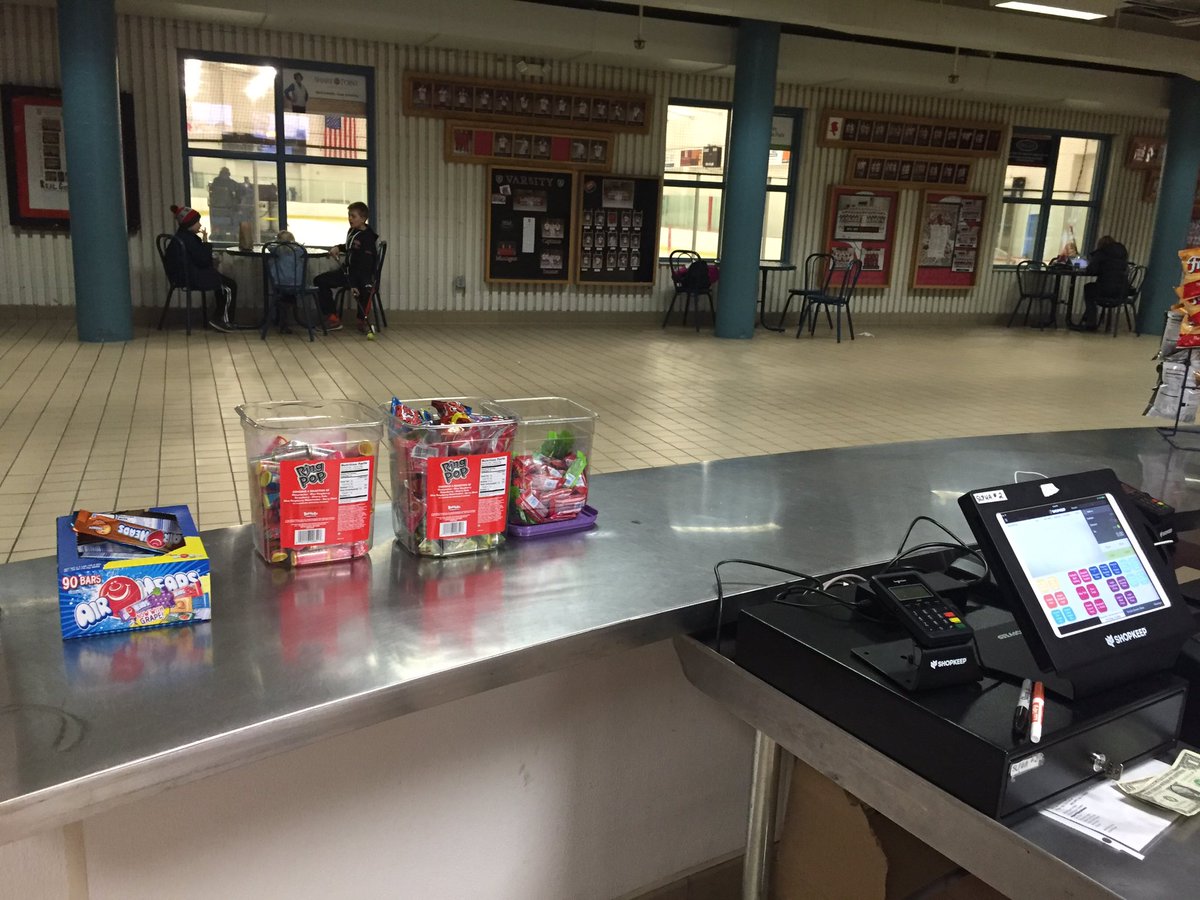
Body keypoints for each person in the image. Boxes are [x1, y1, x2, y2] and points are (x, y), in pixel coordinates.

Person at [165, 204, 239, 333]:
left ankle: (219, 317)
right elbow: (204, 261)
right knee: (230, 287)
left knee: (222, 283)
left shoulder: (181, 237)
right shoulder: (189, 239)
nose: (199, 225)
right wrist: (205, 242)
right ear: (189, 224)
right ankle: (222, 320)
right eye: (197, 222)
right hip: (192, 277)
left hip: (182, 276)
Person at [314, 201, 378, 332]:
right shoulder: (352, 231)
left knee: (366, 288)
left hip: (361, 275)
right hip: (347, 272)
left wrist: (353, 283)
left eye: (353, 216)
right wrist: (338, 247)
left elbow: (365, 265)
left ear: (363, 219)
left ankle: (362, 321)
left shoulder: (368, 239)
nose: (350, 219)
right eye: (349, 215)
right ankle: (333, 319)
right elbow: (350, 246)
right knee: (320, 280)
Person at [1073, 235, 1129, 332]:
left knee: (1088, 289)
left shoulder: (1101, 254)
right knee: (1092, 289)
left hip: (1105, 290)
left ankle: (1091, 322)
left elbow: (1091, 270)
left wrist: (1084, 264)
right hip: (1121, 291)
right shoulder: (1122, 255)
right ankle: (1088, 319)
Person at [207, 167, 240, 242]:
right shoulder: (230, 183)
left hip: (215, 209)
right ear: (228, 174)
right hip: (227, 209)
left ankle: (219, 235)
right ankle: (232, 237)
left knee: (218, 226)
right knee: (231, 225)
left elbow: (211, 193)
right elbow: (239, 191)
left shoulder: (215, 181)